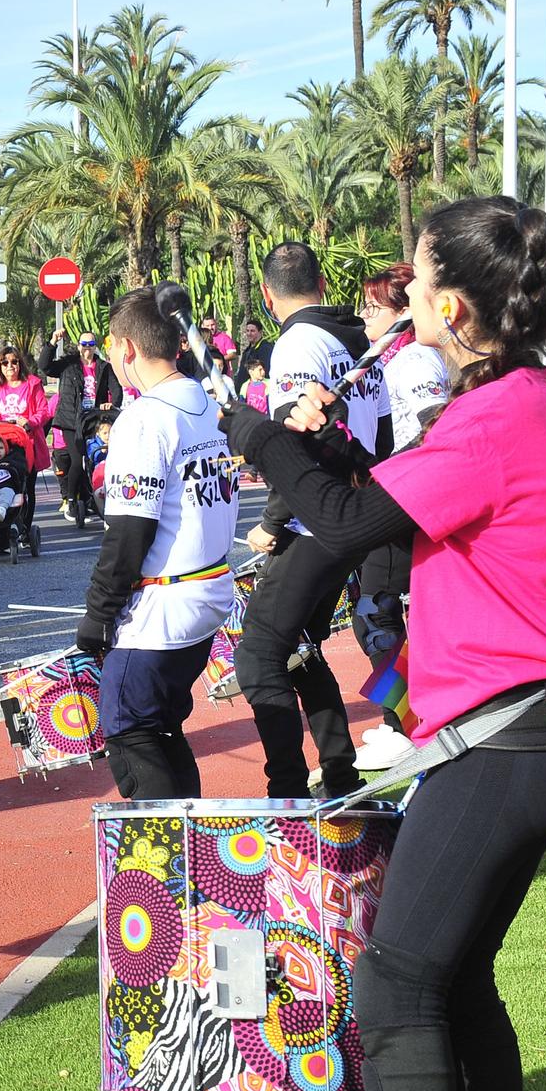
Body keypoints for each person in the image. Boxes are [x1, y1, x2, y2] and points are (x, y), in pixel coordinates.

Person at [225, 196, 546, 1091]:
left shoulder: (496, 413)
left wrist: (256, 435)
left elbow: (350, 527)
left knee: (397, 979)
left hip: (511, 734)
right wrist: (327, 443)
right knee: (455, 970)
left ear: (450, 302)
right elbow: (396, 499)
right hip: (536, 729)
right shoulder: (525, 397)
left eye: (410, 275)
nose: (395, 292)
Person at [236, 240, 389, 799]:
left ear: (271, 298)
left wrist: (275, 520)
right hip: (355, 511)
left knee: (257, 656)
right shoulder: (354, 344)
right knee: (301, 647)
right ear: (322, 286)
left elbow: (295, 438)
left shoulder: (298, 344)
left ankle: (289, 795)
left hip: (318, 519)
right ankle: (341, 772)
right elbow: (378, 437)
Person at [75, 290, 241, 799]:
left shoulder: (145, 418)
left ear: (125, 348)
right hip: (206, 592)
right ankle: (190, 853)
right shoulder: (204, 400)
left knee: (130, 729)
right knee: (162, 727)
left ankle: (169, 869)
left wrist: (99, 615)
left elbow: (128, 533)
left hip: (163, 606)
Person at [351, 263, 451, 771]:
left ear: (400, 315)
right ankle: (403, 719)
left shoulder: (413, 360)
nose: (363, 316)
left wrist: (384, 474)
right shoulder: (390, 360)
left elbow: (434, 426)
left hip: (401, 501)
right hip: (391, 497)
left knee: (376, 613)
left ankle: (406, 726)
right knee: (371, 611)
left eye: (372, 307)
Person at [53, 332, 119, 524]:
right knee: (76, 460)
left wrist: (111, 403)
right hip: (71, 420)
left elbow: (116, 390)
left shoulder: (104, 368)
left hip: (93, 419)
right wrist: (52, 343)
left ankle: (93, 497)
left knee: (96, 458)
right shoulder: (69, 365)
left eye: (91, 344)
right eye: (84, 344)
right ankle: (72, 500)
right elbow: (45, 366)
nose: (87, 348)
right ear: (79, 345)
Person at [0, 345, 50, 536]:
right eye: (5, 362)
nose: (10, 366)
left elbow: (44, 411)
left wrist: (29, 422)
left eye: (14, 361)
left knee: (26, 487)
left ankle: (24, 527)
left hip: (26, 443)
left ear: (20, 363)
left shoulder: (32, 384)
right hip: (2, 443)